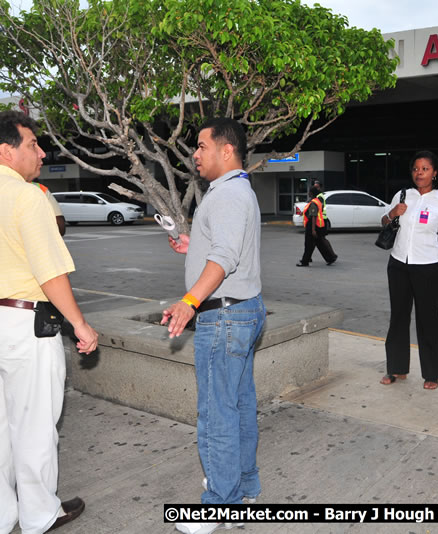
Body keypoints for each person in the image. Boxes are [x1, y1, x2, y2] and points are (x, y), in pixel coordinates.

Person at [0, 110, 98, 533]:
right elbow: (50, 273)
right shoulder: (27, 196)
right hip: (20, 323)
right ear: (6, 150)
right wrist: (80, 325)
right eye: (33, 144)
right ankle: (39, 515)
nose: (42, 152)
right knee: (33, 425)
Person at [161, 117, 266, 534]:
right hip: (242, 310)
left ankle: (220, 504)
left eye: (202, 146)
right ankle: (244, 487)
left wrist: (189, 301)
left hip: (223, 316)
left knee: (217, 414)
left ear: (227, 150)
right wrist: (194, 246)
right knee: (238, 406)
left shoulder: (227, 194)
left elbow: (224, 257)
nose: (195, 154)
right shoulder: (237, 190)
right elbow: (225, 246)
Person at [380, 150, 438, 390]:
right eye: (415, 169)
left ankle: (431, 373)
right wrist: (393, 212)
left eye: (425, 169)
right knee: (398, 317)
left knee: (428, 320)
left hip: (427, 267)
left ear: (434, 173)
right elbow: (384, 221)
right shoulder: (403, 195)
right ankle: (396, 368)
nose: (419, 173)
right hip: (398, 265)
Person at [296, 184, 337, 266]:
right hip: (318, 225)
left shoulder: (313, 203)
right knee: (319, 243)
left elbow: (314, 216)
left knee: (309, 244)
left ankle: (305, 262)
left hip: (312, 226)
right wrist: (303, 213)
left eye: (309, 192)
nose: (308, 193)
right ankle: (330, 258)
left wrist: (313, 230)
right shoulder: (316, 201)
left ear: (311, 193)